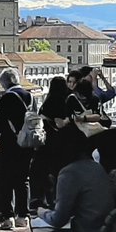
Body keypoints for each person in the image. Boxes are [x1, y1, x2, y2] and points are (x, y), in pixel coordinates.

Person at [0, 67, 33, 228]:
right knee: (23, 180)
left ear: (5, 83)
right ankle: (23, 215)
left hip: (9, 145)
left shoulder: (7, 97)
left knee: (6, 180)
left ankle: (8, 217)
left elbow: (0, 124)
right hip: (26, 144)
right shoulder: (28, 95)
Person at [30, 76, 75, 206]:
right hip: (60, 142)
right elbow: (61, 123)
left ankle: (42, 198)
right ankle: (56, 199)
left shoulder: (48, 101)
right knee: (57, 172)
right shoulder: (64, 100)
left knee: (44, 172)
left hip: (46, 142)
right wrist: (68, 120)